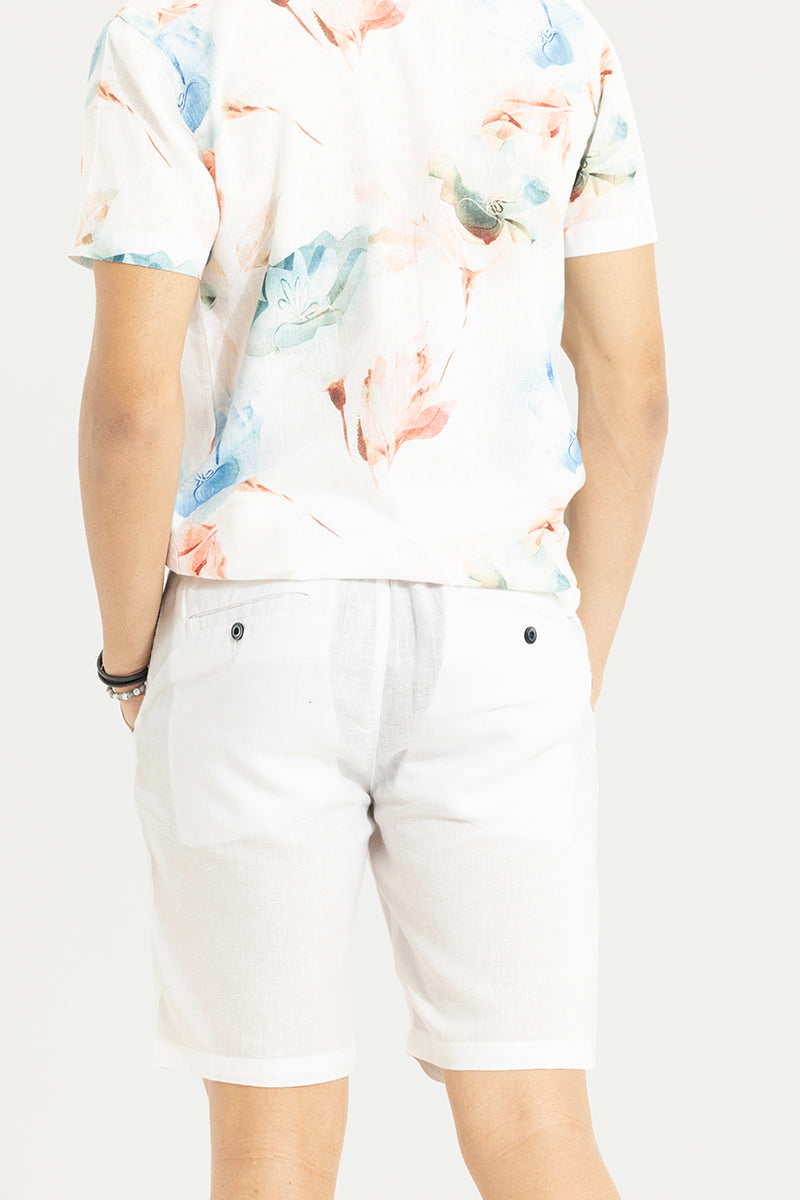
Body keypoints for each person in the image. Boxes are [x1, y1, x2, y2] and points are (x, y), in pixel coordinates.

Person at [67, 0, 668, 1196]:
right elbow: (633, 394)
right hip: (505, 632)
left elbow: (132, 412)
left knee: (270, 1149)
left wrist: (129, 658)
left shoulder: (170, 36)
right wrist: (567, 655)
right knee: (537, 1127)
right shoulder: (556, 39)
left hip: (257, 630)